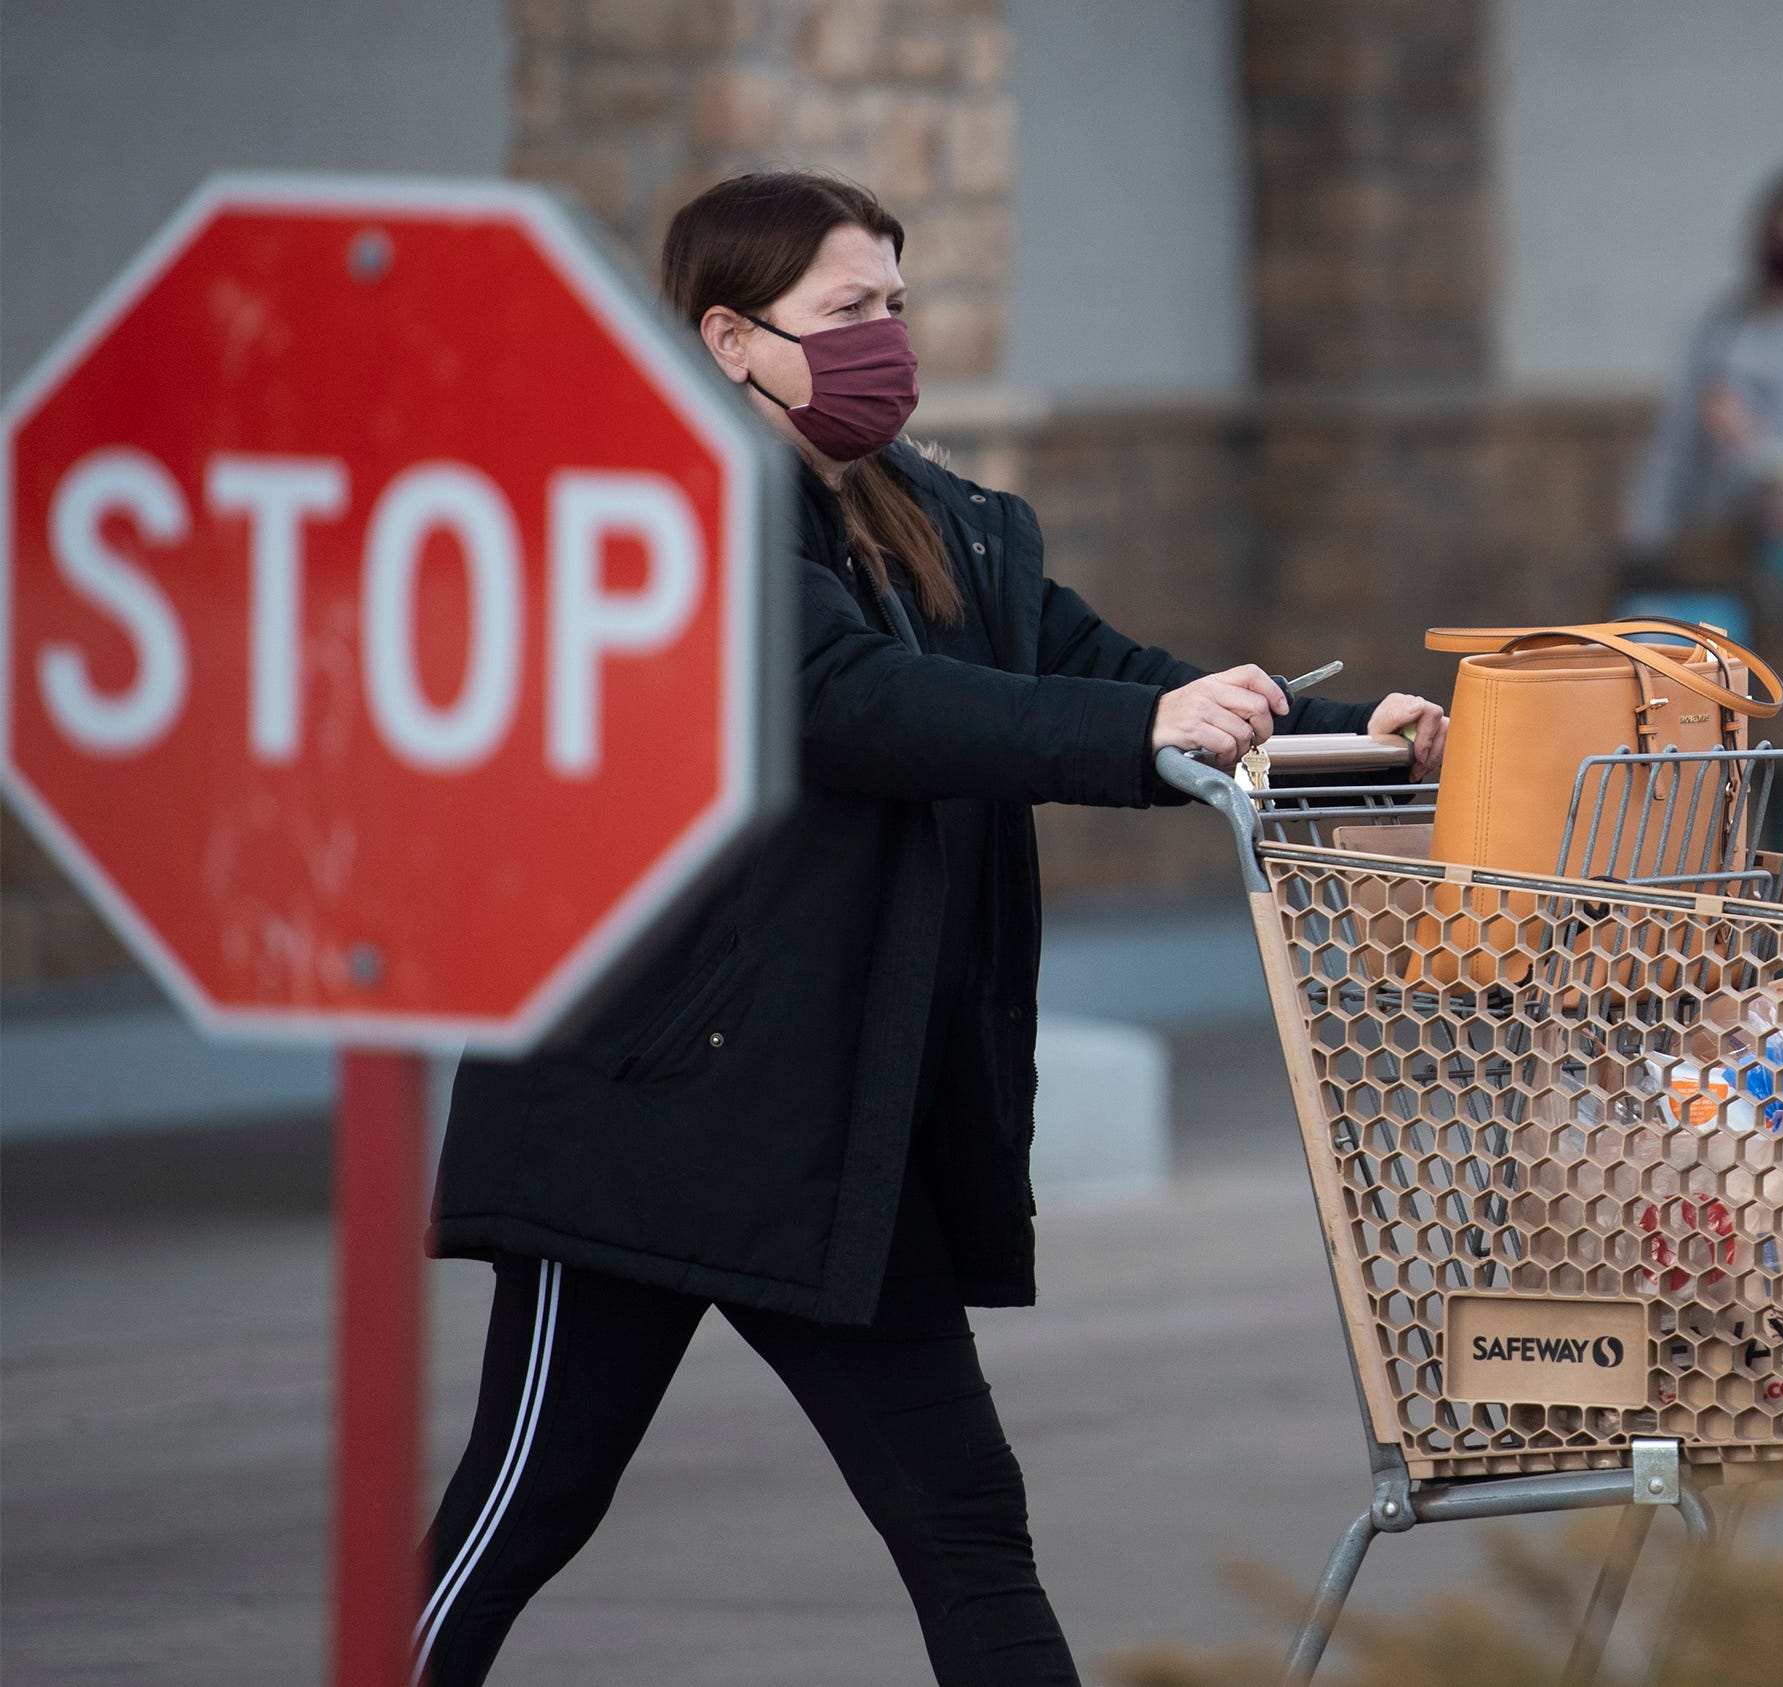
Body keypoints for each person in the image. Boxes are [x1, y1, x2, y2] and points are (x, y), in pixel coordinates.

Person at [416, 171, 1447, 1687]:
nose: (884, 339)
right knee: (527, 1505)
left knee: (964, 1515)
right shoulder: (666, 518)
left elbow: (1111, 676)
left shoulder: (955, 525)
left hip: (839, 1124)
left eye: (894, 304)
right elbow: (855, 704)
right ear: (727, 336)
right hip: (639, 1116)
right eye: (846, 310)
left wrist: (1360, 734)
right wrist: (1137, 722)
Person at [1622, 162, 1783, 559]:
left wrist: (1751, 443)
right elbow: (1674, 444)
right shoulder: (1723, 326)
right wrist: (1646, 539)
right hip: (1709, 536)